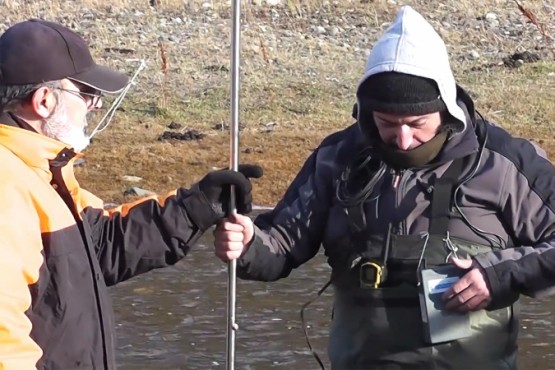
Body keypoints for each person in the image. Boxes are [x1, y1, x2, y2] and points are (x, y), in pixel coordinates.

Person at [214, 5, 555, 370]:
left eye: (417, 123)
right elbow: (281, 243)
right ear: (365, 113)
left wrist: (498, 274)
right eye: (387, 123)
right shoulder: (337, 158)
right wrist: (247, 243)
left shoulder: (506, 162)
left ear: (447, 110)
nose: (404, 139)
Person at [0, 19, 262, 370]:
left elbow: (101, 244)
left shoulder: (42, 173)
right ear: (44, 100)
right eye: (86, 94)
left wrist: (198, 207)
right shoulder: (7, 184)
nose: (93, 106)